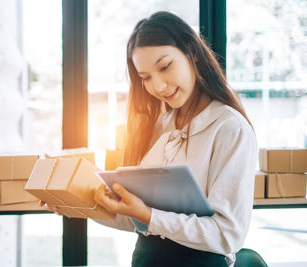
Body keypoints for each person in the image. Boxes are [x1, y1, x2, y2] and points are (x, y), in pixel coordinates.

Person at [46, 11, 257, 267]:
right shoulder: (161, 126)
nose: (158, 87)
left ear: (192, 54)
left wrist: (148, 215)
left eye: (165, 66)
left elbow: (227, 235)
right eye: (145, 77)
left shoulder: (229, 127)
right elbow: (135, 219)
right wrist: (78, 204)